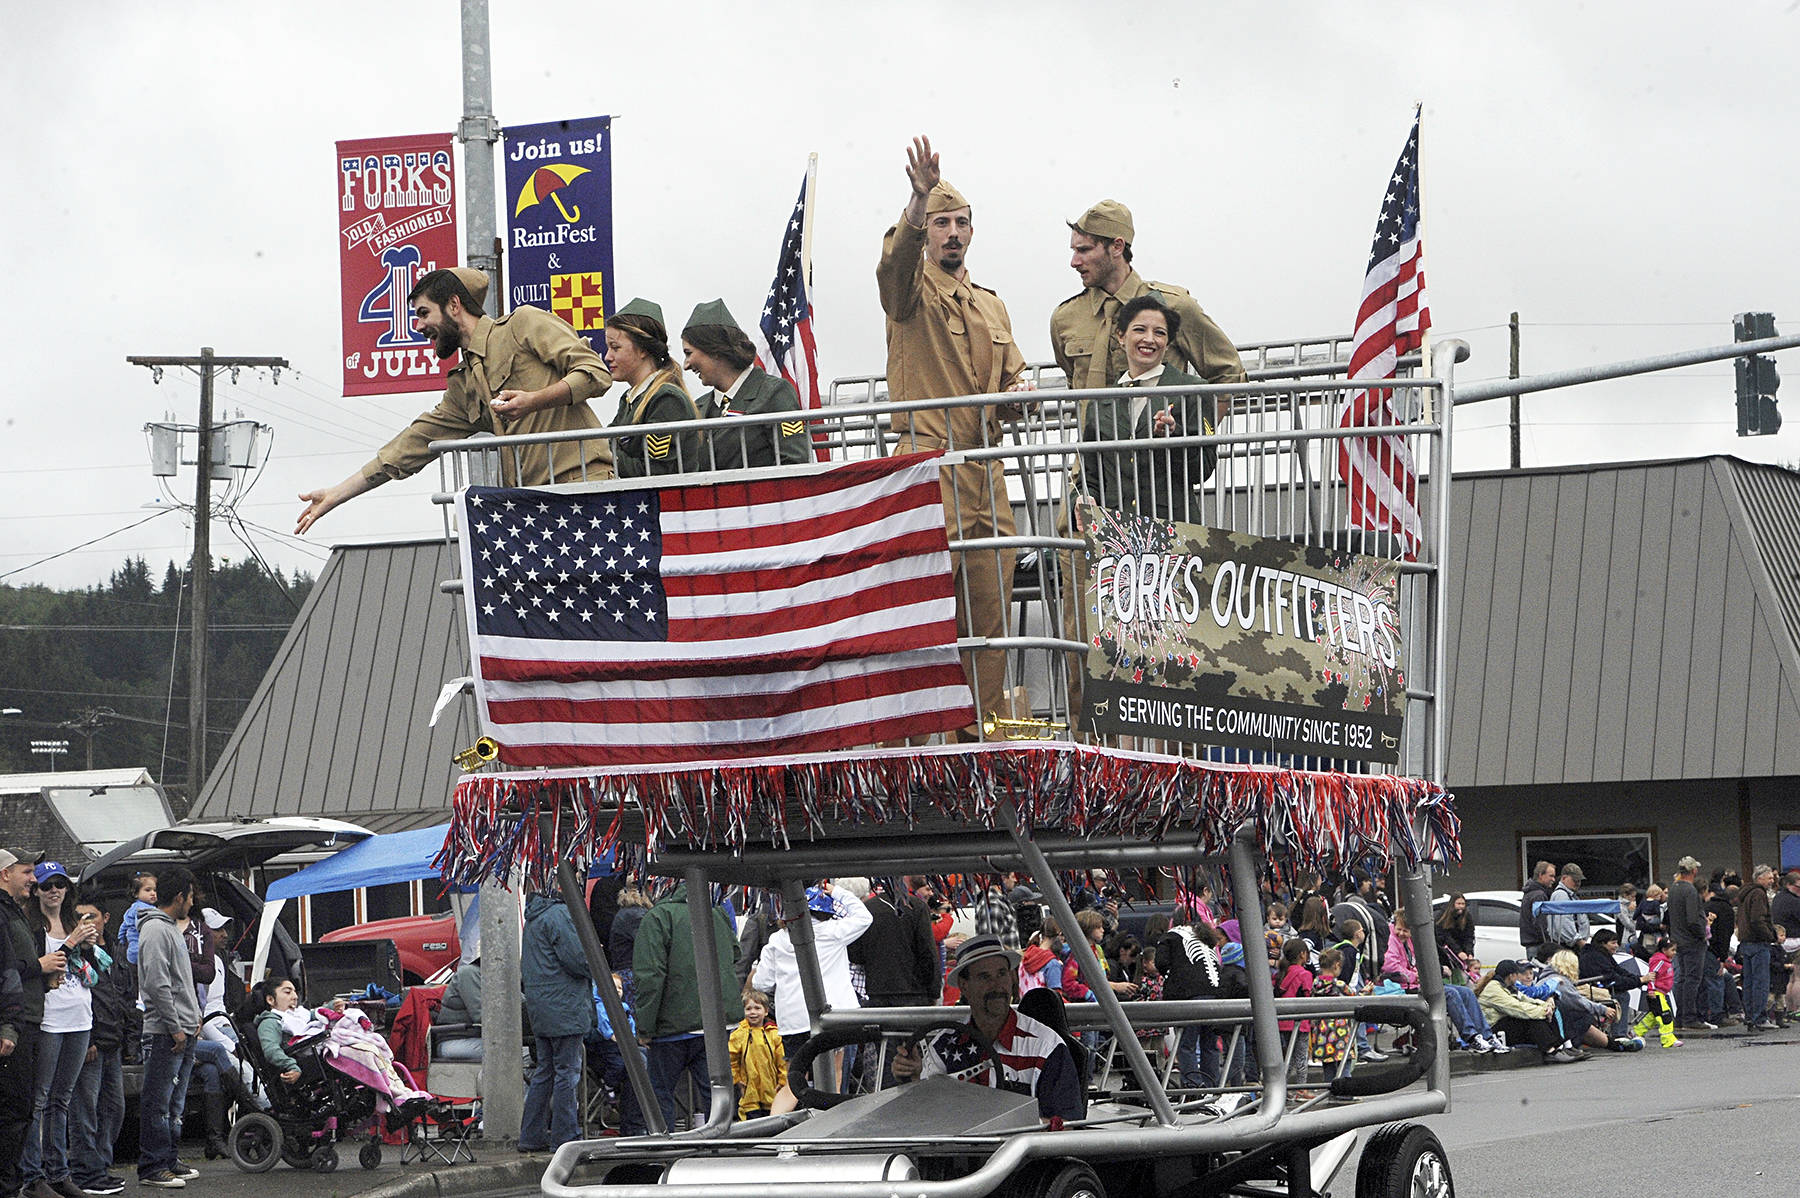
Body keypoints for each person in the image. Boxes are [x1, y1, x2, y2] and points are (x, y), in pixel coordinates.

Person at [876, 136, 1034, 739]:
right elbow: (893, 268)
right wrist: (916, 202)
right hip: (926, 463)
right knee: (921, 612)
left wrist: (1021, 393)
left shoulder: (991, 306)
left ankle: (981, 734)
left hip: (985, 472)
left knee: (990, 609)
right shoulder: (908, 293)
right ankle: (910, 741)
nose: (951, 232)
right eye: (941, 222)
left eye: (960, 222)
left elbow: (1013, 372)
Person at [297, 267, 615, 532]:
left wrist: (534, 400)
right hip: (534, 507)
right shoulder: (464, 385)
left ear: (453, 305)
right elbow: (412, 444)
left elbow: (595, 372)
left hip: (584, 489)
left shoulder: (523, 324)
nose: (419, 326)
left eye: (424, 313)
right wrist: (337, 494)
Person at [1050, 199, 1245, 429]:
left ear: (1117, 247)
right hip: (1093, 462)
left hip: (1159, 460)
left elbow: (1229, 374)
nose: (1074, 262)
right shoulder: (1065, 318)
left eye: (1084, 250)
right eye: (1074, 251)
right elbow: (1074, 383)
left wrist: (1195, 439)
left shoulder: (1174, 306)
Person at [891, 936, 1083, 1123]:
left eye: (1002, 974)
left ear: (1011, 978)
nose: (997, 986)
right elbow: (925, 1114)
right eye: (985, 977)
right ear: (964, 986)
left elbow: (1066, 1127)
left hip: (1024, 1154)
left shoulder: (1047, 1046)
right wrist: (913, 1077)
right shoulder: (944, 1045)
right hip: (957, 1153)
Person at [19, 862, 101, 1198]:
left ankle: (58, 1173)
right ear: (36, 890)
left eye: (60, 884)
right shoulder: (31, 925)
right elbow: (34, 968)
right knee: (39, 1099)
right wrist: (71, 942)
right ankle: (32, 1177)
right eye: (47, 885)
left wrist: (91, 945)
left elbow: (90, 970)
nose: (54, 890)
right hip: (48, 1019)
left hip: (80, 1016)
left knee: (62, 1100)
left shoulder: (74, 922)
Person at [633, 881, 742, 1132]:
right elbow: (735, 954)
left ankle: (666, 1154)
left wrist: (645, 1026)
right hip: (716, 1021)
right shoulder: (717, 912)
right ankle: (722, 1152)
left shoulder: (658, 917)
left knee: (660, 1094)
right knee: (717, 1094)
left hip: (671, 1025)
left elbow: (650, 976)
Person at [680, 300, 812, 471]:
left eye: (689, 353)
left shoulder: (774, 393)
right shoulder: (698, 408)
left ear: (714, 350)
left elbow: (795, 463)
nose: (686, 365)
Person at [752, 885, 872, 1057]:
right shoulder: (833, 931)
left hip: (793, 1022)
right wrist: (837, 891)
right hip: (836, 1017)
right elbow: (864, 917)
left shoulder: (776, 940)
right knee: (834, 1078)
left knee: (795, 1077)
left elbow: (761, 983)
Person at [136, 865, 199, 1189]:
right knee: (158, 1101)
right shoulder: (156, 930)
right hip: (165, 1032)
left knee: (175, 1103)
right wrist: (176, 1026)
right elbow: (157, 983)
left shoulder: (171, 928)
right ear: (179, 896)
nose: (192, 902)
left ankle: (169, 1159)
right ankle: (152, 1166)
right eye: (190, 896)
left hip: (184, 1028)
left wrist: (194, 1019)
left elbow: (180, 983)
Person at [519, 891, 594, 1153]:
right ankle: (565, 1137)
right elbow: (579, 960)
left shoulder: (534, 919)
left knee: (545, 1071)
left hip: (541, 1008)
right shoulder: (559, 914)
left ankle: (531, 1135)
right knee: (567, 1072)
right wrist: (596, 959)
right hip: (565, 1007)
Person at [68, 898, 128, 1197]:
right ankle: (85, 1171)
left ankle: (100, 1167)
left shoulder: (106, 953)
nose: (87, 922)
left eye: (91, 916)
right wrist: (89, 1038)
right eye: (80, 917)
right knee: (84, 1111)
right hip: (89, 1040)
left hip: (113, 1040)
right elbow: (80, 1000)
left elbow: (119, 996)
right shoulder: (75, 952)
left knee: (114, 1108)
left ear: (104, 918)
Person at [604, 298, 701, 477]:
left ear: (643, 350)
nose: (608, 356)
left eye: (615, 347)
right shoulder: (629, 399)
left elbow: (655, 471)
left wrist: (606, 453)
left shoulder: (666, 399)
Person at [1475, 961, 1583, 1063]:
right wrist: (1544, 1011)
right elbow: (1516, 1008)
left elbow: (1527, 1000)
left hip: (1505, 1023)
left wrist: (1547, 1007)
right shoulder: (1494, 989)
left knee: (1554, 1009)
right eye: (1518, 974)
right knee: (1532, 1020)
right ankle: (1551, 1052)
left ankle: (1563, 1046)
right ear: (1511, 976)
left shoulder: (1508, 987)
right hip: (1495, 1030)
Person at [1666, 856, 1711, 1030]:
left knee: (1682, 979)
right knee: (1693, 979)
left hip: (1678, 939)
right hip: (1692, 941)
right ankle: (1690, 1017)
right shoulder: (1690, 891)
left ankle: (1678, 1016)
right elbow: (1693, 919)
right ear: (1693, 871)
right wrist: (1701, 934)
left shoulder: (1674, 889)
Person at [1735, 864, 1780, 1031]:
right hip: (1758, 942)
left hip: (1746, 943)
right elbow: (1757, 919)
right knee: (1761, 982)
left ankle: (1749, 1015)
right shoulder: (1759, 894)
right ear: (1760, 878)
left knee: (1749, 982)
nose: (1772, 880)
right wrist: (1770, 935)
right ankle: (1759, 1017)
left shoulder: (1745, 894)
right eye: (1769, 878)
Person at [728, 989, 784, 1121]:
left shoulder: (775, 1034)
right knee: (751, 1121)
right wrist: (736, 1079)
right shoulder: (739, 1034)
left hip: (772, 1087)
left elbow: (781, 1059)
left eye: (757, 1008)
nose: (752, 1012)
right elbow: (731, 1059)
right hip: (749, 1088)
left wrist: (783, 1081)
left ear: (765, 1011)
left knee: (772, 1121)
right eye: (748, 1009)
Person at [432, 956, 483, 1062]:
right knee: (522, 1053)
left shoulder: (493, 977)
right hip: (455, 1040)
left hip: (474, 1038)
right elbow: (481, 1016)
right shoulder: (469, 973)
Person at [1771, 870, 1800, 1021]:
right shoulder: (1794, 901)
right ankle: (1796, 1009)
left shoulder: (1777, 898)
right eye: (1798, 887)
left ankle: (1787, 1009)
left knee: (1788, 979)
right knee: (1798, 977)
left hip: (1781, 942)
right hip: (1796, 940)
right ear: (1789, 884)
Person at [1542, 864, 1590, 953]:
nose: (1578, 883)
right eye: (1574, 880)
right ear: (1564, 878)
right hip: (1567, 947)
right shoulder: (1561, 895)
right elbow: (1563, 923)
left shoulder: (1570, 895)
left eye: (1579, 880)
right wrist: (1579, 942)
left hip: (1571, 945)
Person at [1519, 860, 1555, 962]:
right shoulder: (1539, 895)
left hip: (1531, 943)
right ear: (1540, 875)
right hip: (1538, 944)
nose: (1553, 879)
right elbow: (1539, 922)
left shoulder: (1530, 892)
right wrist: (1547, 943)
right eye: (1550, 876)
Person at [120, 873, 155, 967]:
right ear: (135, 893)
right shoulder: (146, 909)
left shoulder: (131, 909)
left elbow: (123, 927)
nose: (153, 893)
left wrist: (121, 940)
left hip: (132, 952)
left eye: (154, 890)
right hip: (145, 951)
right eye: (148, 890)